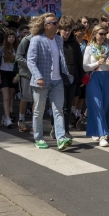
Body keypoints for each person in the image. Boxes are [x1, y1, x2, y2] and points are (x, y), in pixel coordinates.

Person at [27, 14, 73, 151]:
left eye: (56, 22)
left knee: (58, 110)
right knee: (39, 111)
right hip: (42, 81)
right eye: (53, 22)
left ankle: (61, 138)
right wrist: (38, 77)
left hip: (57, 80)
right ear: (45, 25)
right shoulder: (37, 40)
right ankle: (39, 138)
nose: (56, 24)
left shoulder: (59, 39)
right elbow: (30, 61)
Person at [83, 25, 109, 147]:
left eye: (104, 34)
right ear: (95, 34)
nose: (103, 36)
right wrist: (97, 63)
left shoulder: (108, 48)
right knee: (97, 105)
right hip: (94, 78)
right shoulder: (89, 48)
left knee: (106, 104)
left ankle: (100, 129)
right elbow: (85, 66)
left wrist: (108, 64)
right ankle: (102, 135)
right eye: (100, 34)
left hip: (106, 77)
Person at [58, 16, 83, 139]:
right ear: (59, 29)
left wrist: (80, 78)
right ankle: (56, 127)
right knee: (59, 106)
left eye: (68, 30)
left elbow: (79, 61)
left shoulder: (74, 44)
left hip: (72, 79)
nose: (66, 32)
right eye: (64, 30)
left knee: (68, 106)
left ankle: (66, 129)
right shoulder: (55, 41)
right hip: (58, 79)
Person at [0, 29, 19, 128]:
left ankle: (8, 113)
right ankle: (7, 118)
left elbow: (19, 64)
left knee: (11, 96)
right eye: (9, 37)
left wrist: (17, 76)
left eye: (13, 37)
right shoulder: (1, 49)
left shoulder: (17, 49)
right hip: (3, 73)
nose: (11, 39)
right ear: (6, 39)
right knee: (5, 97)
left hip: (13, 74)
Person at [15, 30, 34, 133]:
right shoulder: (26, 40)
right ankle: (21, 119)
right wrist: (30, 64)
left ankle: (34, 123)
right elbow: (18, 57)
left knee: (36, 99)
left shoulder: (44, 39)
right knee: (25, 97)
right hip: (26, 74)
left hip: (38, 75)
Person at [72, 22, 88, 127]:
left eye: (84, 30)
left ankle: (78, 113)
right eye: (80, 30)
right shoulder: (73, 43)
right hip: (75, 70)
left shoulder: (87, 43)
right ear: (75, 32)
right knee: (76, 94)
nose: (82, 32)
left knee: (82, 95)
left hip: (85, 70)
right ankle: (72, 112)